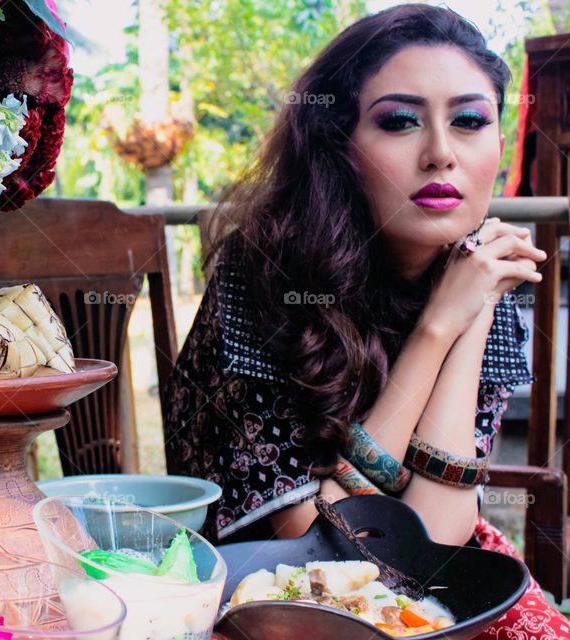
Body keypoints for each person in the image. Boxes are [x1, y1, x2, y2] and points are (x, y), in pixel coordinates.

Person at [163, 4, 570, 636]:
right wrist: (439, 330)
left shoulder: (481, 277)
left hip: (421, 585)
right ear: (339, 145)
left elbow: (433, 541)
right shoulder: (263, 271)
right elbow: (323, 552)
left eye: (469, 121)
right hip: (260, 594)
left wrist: (476, 310)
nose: (440, 154)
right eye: (400, 122)